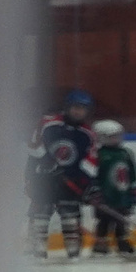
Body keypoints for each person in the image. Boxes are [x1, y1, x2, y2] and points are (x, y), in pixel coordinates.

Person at [29, 89, 98, 261]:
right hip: (45, 181)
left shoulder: (87, 134)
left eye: (82, 108)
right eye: (75, 107)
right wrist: (38, 172)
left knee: (71, 220)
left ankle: (73, 252)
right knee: (40, 218)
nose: (77, 111)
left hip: (70, 184)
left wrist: (86, 185)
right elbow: (35, 150)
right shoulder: (48, 124)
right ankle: (38, 251)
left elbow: (90, 164)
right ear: (67, 107)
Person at [88, 121, 136, 258]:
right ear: (101, 137)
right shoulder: (98, 154)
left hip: (122, 195)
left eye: (118, 136)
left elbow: (133, 172)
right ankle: (100, 245)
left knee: (122, 220)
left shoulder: (126, 153)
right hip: (105, 196)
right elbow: (92, 174)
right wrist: (94, 190)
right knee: (104, 221)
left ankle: (122, 243)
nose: (116, 139)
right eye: (112, 136)